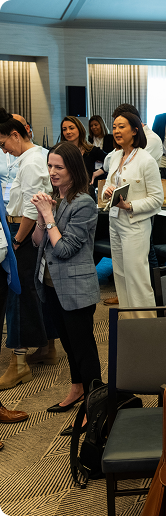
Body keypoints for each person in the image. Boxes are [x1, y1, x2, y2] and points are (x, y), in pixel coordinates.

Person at [31, 142, 101, 427]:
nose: (52, 172)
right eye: (50, 166)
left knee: (84, 348)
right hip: (52, 285)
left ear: (74, 169)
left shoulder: (83, 202)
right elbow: (38, 242)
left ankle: (95, 404)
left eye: (59, 167)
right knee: (69, 346)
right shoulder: (54, 197)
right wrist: (40, 215)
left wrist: (49, 217)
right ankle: (77, 388)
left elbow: (64, 249)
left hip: (76, 287)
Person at [0, 108, 50, 390]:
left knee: (18, 295)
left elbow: (31, 208)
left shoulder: (30, 162)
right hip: (28, 231)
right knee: (35, 291)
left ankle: (18, 364)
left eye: (4, 144)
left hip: (25, 231)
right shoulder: (33, 156)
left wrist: (16, 240)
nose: (4, 151)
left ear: (16, 135)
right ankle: (48, 348)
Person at [102, 113, 163, 317]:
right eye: (114, 127)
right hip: (115, 223)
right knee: (120, 276)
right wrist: (107, 192)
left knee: (137, 278)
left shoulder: (146, 160)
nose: (116, 131)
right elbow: (108, 186)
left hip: (135, 225)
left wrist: (130, 206)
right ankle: (129, 323)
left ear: (135, 130)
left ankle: (146, 326)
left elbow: (157, 199)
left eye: (121, 127)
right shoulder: (115, 156)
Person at [60, 116, 106, 199]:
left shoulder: (91, 150)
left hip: (87, 194)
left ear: (79, 129)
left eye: (71, 128)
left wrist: (96, 173)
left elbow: (110, 160)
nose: (68, 132)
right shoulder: (60, 152)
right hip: (66, 193)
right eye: (64, 129)